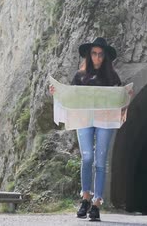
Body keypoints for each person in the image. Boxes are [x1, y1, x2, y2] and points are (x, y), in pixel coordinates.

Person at [49, 37, 130, 221]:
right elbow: (71, 97)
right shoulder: (80, 76)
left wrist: (126, 96)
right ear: (89, 55)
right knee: (87, 157)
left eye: (101, 54)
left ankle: (96, 203)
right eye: (94, 53)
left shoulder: (112, 77)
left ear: (105, 57)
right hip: (84, 119)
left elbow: (120, 102)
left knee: (101, 161)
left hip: (105, 120)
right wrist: (57, 93)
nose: (97, 58)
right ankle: (85, 198)